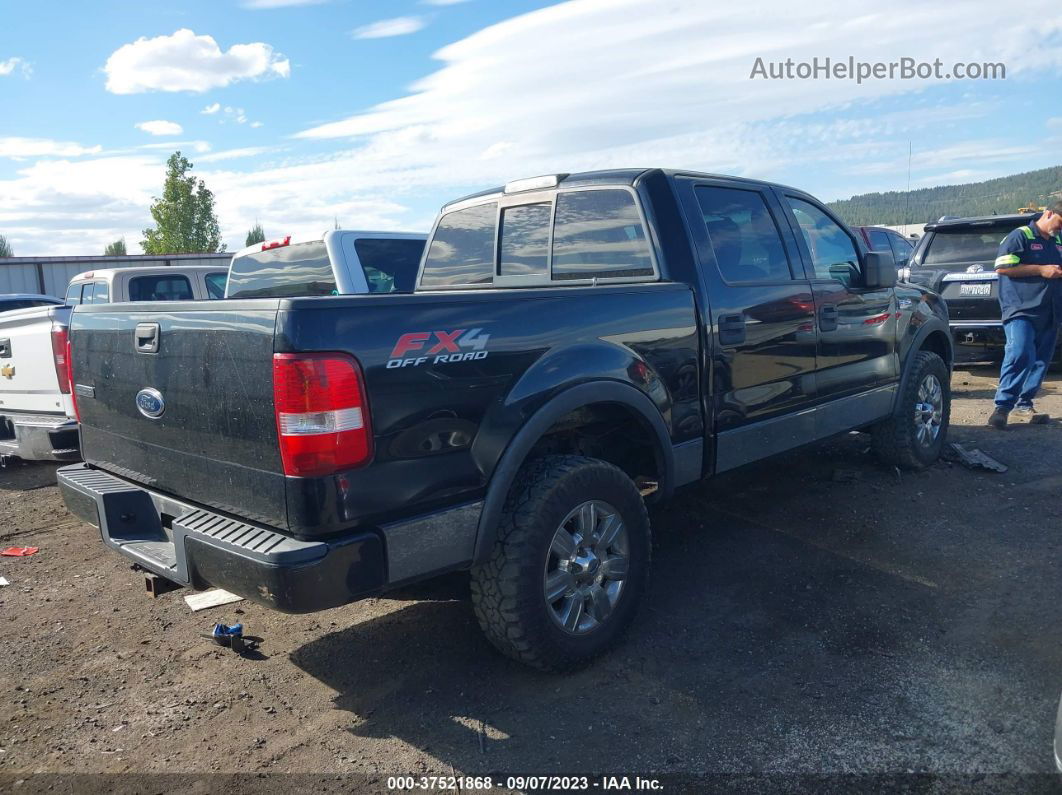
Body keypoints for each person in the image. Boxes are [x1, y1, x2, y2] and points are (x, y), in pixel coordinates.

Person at [988, 201, 1062, 428]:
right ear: (1049, 213)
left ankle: (1024, 405)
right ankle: (1002, 407)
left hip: (1050, 311)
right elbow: (1002, 267)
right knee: (1020, 353)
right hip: (1021, 309)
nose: (1061, 228)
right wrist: (1040, 269)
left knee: (1041, 360)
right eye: (1061, 222)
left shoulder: (1057, 241)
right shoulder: (1021, 236)